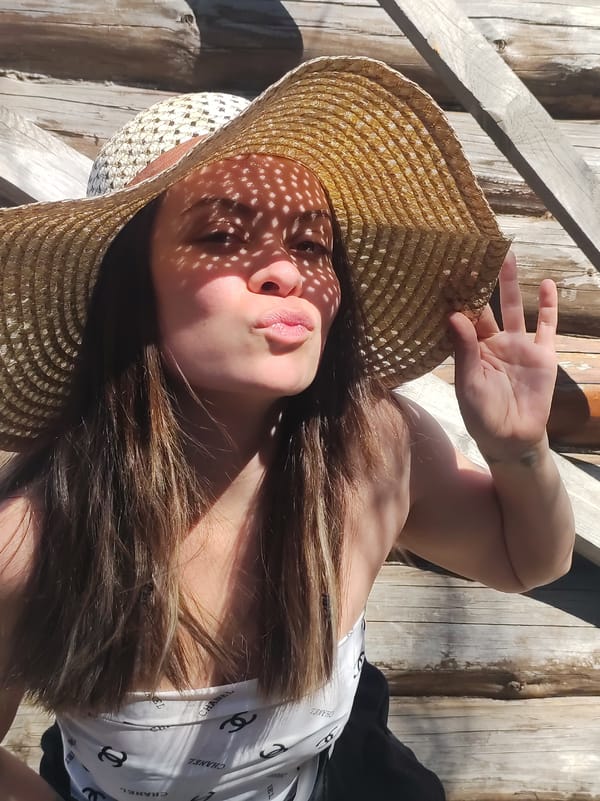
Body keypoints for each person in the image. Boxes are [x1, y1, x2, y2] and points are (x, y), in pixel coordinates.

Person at [0, 56, 574, 801]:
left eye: (309, 244)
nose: (284, 271)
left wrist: (518, 452)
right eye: (219, 234)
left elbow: (527, 561)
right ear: (130, 289)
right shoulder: (31, 541)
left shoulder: (374, 449)